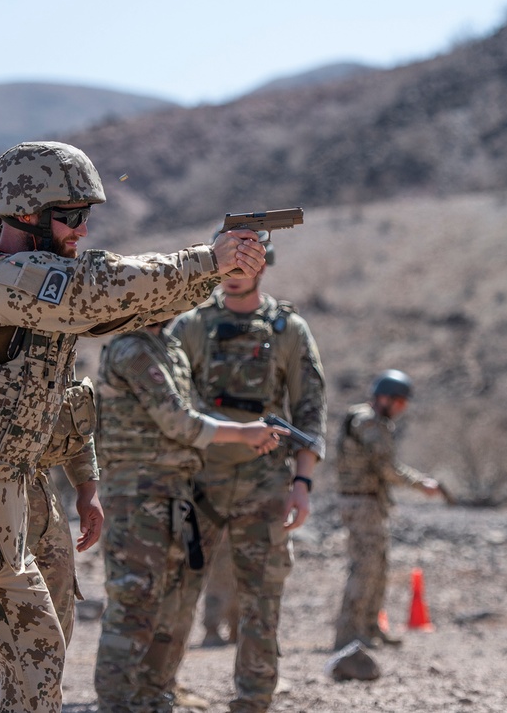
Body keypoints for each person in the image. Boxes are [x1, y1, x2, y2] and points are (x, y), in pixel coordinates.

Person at [0, 140, 266, 713]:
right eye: (71, 216)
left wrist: (216, 271)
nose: (82, 230)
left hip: (3, 500)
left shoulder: (41, 295)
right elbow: (95, 290)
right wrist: (205, 259)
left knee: (37, 675)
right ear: (26, 215)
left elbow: (129, 309)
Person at [0, 162, 106, 710]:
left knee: (47, 644)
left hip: (32, 489)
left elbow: (64, 398)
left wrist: (86, 483)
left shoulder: (42, 292)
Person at [164, 241, 327, 713]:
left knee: (262, 596)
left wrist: (303, 484)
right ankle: (158, 691)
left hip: (265, 484)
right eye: (228, 261)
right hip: (199, 483)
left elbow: (310, 412)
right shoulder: (192, 326)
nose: (234, 273)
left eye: (246, 263)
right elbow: (169, 407)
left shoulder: (289, 330)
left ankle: (254, 699)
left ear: (263, 266)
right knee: (177, 590)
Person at [92, 318, 286, 713]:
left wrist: (247, 431)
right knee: (133, 600)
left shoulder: (170, 349)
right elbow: (178, 420)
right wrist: (244, 433)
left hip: (174, 493)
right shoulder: (133, 348)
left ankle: (151, 696)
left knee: (171, 603)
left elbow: (194, 411)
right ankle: (116, 703)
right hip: (137, 494)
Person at [333, 369, 445, 651]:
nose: (401, 409)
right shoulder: (370, 423)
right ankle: (348, 635)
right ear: (386, 399)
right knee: (364, 568)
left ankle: (370, 628)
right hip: (362, 503)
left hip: (369, 502)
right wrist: (421, 484)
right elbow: (386, 468)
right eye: (400, 403)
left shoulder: (370, 420)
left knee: (377, 567)